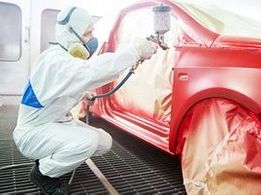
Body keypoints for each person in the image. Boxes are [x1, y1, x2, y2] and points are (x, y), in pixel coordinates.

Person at [13, 6, 157, 194]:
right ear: (70, 35)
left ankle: (51, 158)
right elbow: (91, 72)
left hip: (53, 125)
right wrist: (135, 51)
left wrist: (83, 94)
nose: (92, 38)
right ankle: (43, 174)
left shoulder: (63, 59)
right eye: (87, 33)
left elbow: (62, 88)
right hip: (33, 133)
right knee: (87, 141)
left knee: (104, 141)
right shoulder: (55, 61)